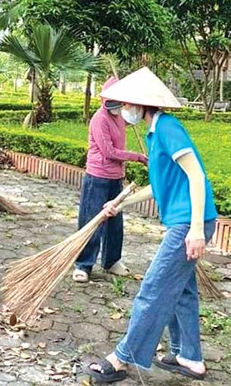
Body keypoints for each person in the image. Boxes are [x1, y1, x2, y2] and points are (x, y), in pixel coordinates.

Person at [82, 67, 218, 383]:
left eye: (127, 103)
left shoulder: (169, 129)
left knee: (154, 288)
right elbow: (158, 186)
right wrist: (119, 203)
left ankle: (121, 359)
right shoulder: (154, 133)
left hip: (188, 224)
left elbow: (196, 175)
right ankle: (190, 357)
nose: (123, 109)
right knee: (182, 292)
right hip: (185, 222)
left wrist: (197, 228)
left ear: (141, 105)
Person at [72, 76, 148, 283]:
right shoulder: (100, 119)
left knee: (115, 221)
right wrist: (138, 157)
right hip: (97, 177)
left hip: (116, 177)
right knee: (92, 220)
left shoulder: (119, 117)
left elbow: (134, 117)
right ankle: (83, 265)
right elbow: (110, 152)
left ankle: (111, 261)